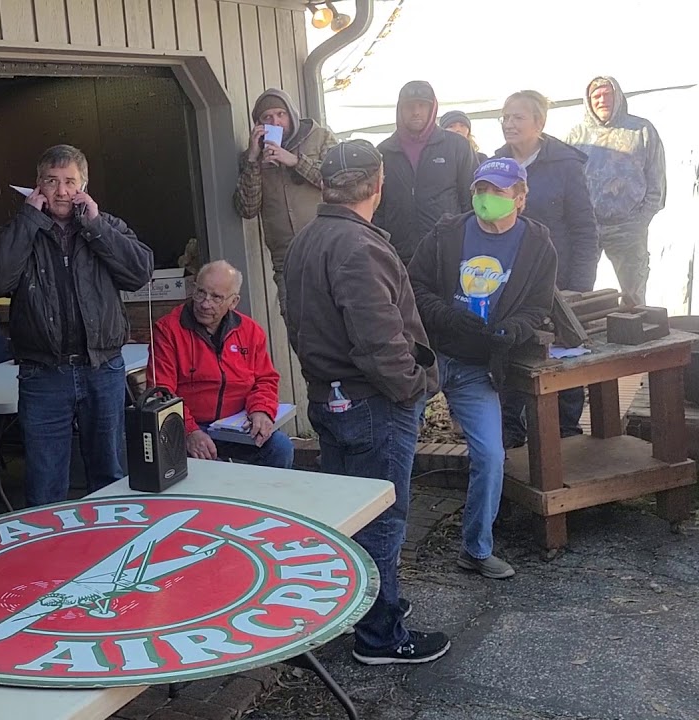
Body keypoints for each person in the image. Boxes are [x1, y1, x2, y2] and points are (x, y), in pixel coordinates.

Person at [283, 139, 448, 665]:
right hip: (370, 404)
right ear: (379, 183)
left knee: (346, 520)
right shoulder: (358, 246)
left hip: (331, 399)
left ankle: (354, 615)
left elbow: (302, 325)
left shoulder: (309, 239)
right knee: (380, 520)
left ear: (328, 185)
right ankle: (381, 637)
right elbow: (378, 343)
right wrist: (415, 388)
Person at [408, 158, 557, 579]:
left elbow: (538, 306)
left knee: (490, 456)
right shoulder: (448, 233)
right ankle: (382, 546)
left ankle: (475, 548)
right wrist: (445, 316)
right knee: (399, 447)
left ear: (521, 199)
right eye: (480, 189)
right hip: (433, 356)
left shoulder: (538, 246)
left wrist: (514, 329)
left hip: (480, 367)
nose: (486, 198)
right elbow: (413, 286)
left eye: (497, 191)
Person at [0, 145, 153, 506]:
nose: (61, 191)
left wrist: (96, 226)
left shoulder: (106, 226)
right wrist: (28, 221)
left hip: (102, 368)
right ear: (37, 186)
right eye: (51, 182)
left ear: (84, 186)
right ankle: (53, 557)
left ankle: (111, 548)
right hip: (43, 374)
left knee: (110, 473)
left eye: (70, 182)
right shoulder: (22, 231)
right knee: (46, 482)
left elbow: (140, 272)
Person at [493, 90, 598, 446]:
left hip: (560, 283)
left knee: (563, 364)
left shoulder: (565, 165)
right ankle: (513, 446)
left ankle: (567, 442)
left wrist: (581, 286)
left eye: (517, 117)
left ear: (539, 123)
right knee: (510, 364)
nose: (509, 123)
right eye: (505, 117)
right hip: (508, 286)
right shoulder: (496, 166)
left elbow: (585, 228)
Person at [148, 260, 295, 468]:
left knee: (280, 448)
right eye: (200, 292)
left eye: (216, 297)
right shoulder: (168, 330)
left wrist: (261, 410)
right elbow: (160, 394)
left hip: (237, 427)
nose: (205, 303)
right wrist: (189, 431)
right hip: (188, 426)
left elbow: (265, 379)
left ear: (233, 302)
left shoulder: (251, 331)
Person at [566, 76, 667, 307]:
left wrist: (640, 220)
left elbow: (657, 181)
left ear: (618, 97)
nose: (602, 100)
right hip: (586, 228)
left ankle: (635, 340)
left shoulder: (642, 130)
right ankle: (580, 340)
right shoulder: (575, 136)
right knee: (577, 293)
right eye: (596, 96)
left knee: (633, 294)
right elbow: (566, 181)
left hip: (628, 227)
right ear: (588, 101)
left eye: (608, 94)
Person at [234, 87, 337, 304]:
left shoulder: (320, 137)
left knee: (335, 316)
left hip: (327, 248)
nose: (276, 122)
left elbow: (336, 183)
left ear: (291, 114)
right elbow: (247, 209)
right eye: (267, 117)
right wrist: (253, 160)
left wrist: (295, 161)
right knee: (295, 321)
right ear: (259, 124)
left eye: (281, 114)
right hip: (286, 257)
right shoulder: (253, 156)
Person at [373, 81, 476, 264]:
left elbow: (470, 197)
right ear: (400, 110)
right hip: (398, 253)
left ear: (432, 109)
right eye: (410, 106)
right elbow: (377, 205)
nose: (416, 112)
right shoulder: (384, 151)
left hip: (447, 249)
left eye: (422, 105)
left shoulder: (456, 146)